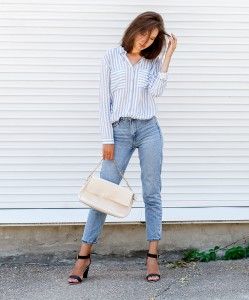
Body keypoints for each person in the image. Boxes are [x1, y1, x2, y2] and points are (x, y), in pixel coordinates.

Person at [68, 11, 177, 285]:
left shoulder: (152, 61)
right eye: (144, 34)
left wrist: (166, 58)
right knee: (102, 194)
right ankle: (83, 257)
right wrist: (107, 138)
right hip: (119, 132)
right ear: (134, 29)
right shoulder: (111, 57)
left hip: (149, 129)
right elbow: (103, 100)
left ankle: (152, 256)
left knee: (152, 192)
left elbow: (155, 92)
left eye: (152, 38)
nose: (145, 41)